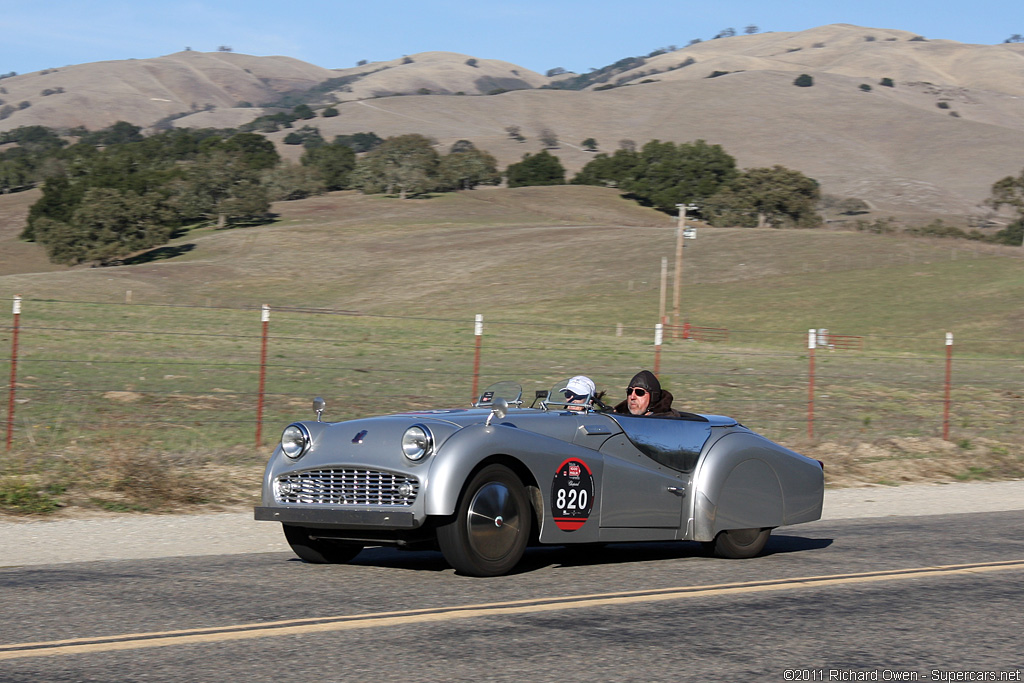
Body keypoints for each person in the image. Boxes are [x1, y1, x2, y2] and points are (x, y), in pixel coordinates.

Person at [613, 370, 679, 417]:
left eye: (639, 392)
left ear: (653, 398)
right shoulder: (619, 417)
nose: (632, 397)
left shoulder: (664, 422)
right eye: (629, 391)